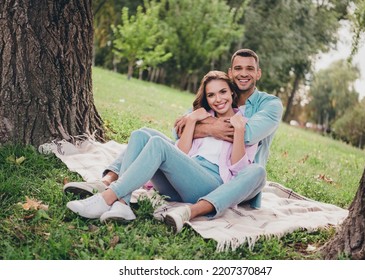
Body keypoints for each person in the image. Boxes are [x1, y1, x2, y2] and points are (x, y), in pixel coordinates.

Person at [65, 48, 283, 232]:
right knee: (142, 135)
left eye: (249, 69)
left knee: (159, 145)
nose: (218, 98)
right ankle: (120, 200)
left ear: (258, 73)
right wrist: (193, 121)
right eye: (238, 68)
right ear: (230, 72)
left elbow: (247, 139)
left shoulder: (262, 108)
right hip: (186, 173)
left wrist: (207, 125)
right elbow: (178, 137)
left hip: (213, 182)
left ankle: (106, 198)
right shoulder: (208, 110)